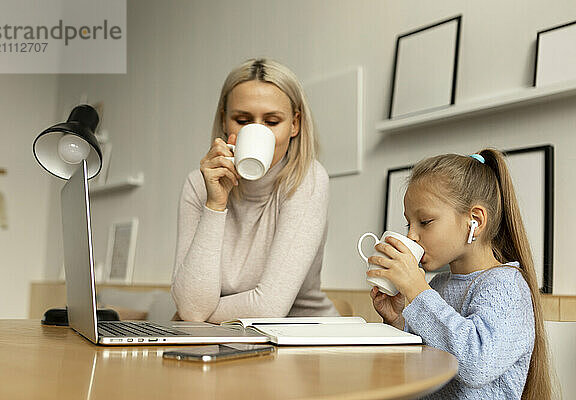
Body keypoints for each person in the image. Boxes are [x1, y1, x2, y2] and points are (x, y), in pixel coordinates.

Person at [367, 149, 553, 399]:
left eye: (425, 221)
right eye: (408, 224)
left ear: (474, 221)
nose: (411, 235)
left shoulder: (506, 286)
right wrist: (397, 320)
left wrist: (417, 290)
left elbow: (475, 364)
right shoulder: (441, 284)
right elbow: (427, 359)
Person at [171, 58, 338, 323]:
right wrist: (215, 204)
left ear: (294, 124)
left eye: (272, 122)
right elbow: (192, 308)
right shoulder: (198, 184)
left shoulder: (308, 179)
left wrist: (196, 315)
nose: (257, 131)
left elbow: (269, 307)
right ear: (225, 121)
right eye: (242, 120)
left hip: (300, 335)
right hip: (220, 336)